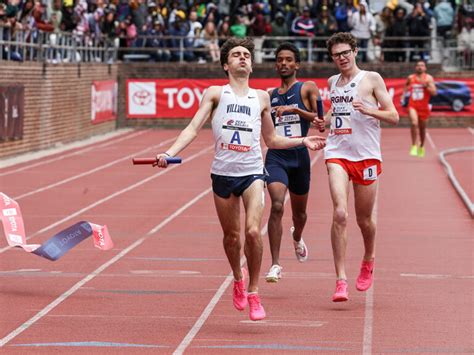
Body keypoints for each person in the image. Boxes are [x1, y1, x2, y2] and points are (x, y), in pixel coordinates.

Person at [154, 37, 326, 320]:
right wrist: (168, 152)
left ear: (252, 64)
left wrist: (303, 141)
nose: (243, 58)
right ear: (226, 64)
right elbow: (192, 128)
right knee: (232, 237)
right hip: (223, 174)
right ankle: (237, 277)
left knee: (252, 232)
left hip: (252, 172)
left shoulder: (261, 97)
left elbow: (270, 138)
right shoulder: (215, 94)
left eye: (247, 54)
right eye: (236, 54)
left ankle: (254, 291)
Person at [316, 32, 399, 302]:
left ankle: (368, 258)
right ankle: (341, 280)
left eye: (345, 53)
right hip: (337, 153)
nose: (341, 58)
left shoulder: (372, 78)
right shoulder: (332, 82)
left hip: (366, 156)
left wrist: (370, 110)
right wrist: (323, 123)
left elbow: (394, 116)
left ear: (355, 51)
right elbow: (334, 114)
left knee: (364, 220)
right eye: (336, 55)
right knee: (340, 213)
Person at [264, 42, 323, 283]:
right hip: (277, 156)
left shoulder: (307, 88)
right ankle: (275, 264)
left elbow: (320, 118)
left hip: (300, 156)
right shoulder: (269, 96)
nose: (284, 63)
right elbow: (265, 128)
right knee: (277, 205)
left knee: (300, 214)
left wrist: (296, 111)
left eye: (289, 59)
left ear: (296, 64)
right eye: (280, 59)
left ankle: (297, 236)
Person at [403, 60, 437, 158]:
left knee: (422, 129)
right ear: (415, 67)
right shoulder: (411, 78)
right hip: (412, 105)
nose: (419, 67)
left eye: (422, 65)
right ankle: (414, 145)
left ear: (425, 68)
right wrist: (403, 96)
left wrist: (426, 86)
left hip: (424, 107)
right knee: (414, 123)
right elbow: (405, 87)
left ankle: (421, 146)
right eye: (418, 65)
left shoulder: (428, 78)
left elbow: (434, 92)